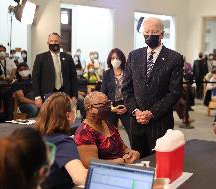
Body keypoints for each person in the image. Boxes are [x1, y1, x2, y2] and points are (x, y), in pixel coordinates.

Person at [121, 17, 183, 158]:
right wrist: (136, 111)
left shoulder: (174, 58)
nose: (149, 35)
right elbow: (126, 88)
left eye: (154, 31)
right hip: (136, 123)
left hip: (160, 123)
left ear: (162, 34)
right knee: (139, 162)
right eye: (146, 31)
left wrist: (152, 113)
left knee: (160, 163)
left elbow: (174, 92)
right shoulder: (133, 56)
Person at [74, 92, 140, 168]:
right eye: (103, 105)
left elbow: (124, 148)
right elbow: (91, 165)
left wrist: (132, 153)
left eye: (108, 103)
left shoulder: (108, 124)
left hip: (122, 169)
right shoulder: (84, 133)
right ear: (89, 107)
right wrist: (122, 161)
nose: (108, 107)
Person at [37, 92, 87, 189]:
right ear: (68, 115)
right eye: (74, 110)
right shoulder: (63, 142)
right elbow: (80, 177)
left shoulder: (36, 137)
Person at [32, 32, 77, 108]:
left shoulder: (68, 57)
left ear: (60, 43)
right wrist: (37, 97)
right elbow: (35, 78)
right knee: (49, 117)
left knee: (64, 116)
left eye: (56, 41)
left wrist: (74, 96)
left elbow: (73, 78)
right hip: (47, 94)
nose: (54, 43)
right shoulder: (40, 58)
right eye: (51, 41)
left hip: (65, 93)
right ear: (48, 43)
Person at [101, 48, 130, 134]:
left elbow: (133, 91)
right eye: (113, 58)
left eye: (117, 58)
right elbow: (103, 93)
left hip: (126, 104)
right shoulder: (107, 74)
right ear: (109, 60)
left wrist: (128, 106)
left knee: (132, 133)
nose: (115, 60)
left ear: (122, 59)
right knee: (110, 134)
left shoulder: (128, 72)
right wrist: (111, 108)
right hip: (112, 105)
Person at [0, 44, 17, 121]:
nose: (2, 52)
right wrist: (5, 77)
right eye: (0, 51)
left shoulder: (9, 61)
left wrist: (10, 78)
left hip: (8, 86)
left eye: (3, 50)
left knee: (8, 107)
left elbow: (14, 70)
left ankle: (7, 121)